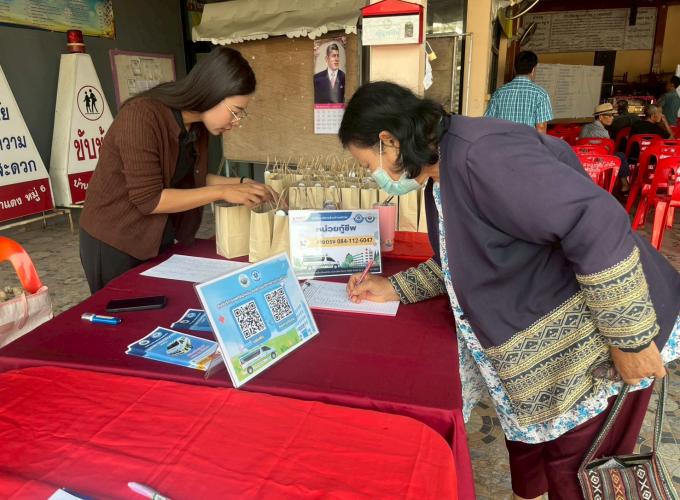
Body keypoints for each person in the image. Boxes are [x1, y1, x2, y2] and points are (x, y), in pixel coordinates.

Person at [338, 81, 680, 500]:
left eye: (367, 163)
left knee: (577, 473)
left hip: (590, 353)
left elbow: (595, 222)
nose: (372, 175)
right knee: (538, 462)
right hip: (542, 367)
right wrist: (394, 287)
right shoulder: (442, 174)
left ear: (389, 141)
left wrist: (630, 339)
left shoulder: (482, 155)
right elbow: (466, 259)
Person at [79, 47, 276, 293]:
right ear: (212, 93)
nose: (236, 122)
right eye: (235, 112)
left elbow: (190, 177)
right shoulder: (141, 116)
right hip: (115, 240)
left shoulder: (196, 126)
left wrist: (241, 183)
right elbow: (149, 199)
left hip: (156, 237)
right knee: (120, 310)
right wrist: (223, 192)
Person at [484, 50, 553, 133]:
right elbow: (541, 127)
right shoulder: (540, 94)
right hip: (527, 141)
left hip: (503, 140)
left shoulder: (499, 93)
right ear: (533, 70)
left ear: (514, 69)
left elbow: (488, 122)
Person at [578, 102, 630, 191]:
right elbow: (607, 151)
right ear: (600, 117)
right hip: (600, 160)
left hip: (584, 159)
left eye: (612, 115)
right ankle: (625, 185)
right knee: (620, 155)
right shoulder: (603, 133)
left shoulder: (585, 127)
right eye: (609, 115)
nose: (612, 118)